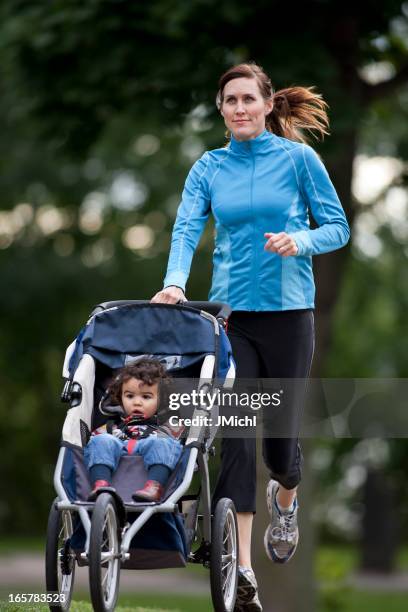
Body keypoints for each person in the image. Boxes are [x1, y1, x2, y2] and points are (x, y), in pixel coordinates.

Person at [152, 62, 350, 611]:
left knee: (281, 449)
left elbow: (339, 226)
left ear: (266, 105)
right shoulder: (209, 168)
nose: (239, 108)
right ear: (221, 109)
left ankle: (284, 499)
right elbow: (187, 226)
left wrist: (300, 240)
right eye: (229, 100)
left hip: (290, 316)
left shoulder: (298, 159)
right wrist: (173, 283)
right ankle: (242, 570)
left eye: (248, 99)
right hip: (229, 319)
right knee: (235, 436)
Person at [84, 359, 183, 503]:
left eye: (146, 397)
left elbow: (182, 447)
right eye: (130, 396)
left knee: (164, 442)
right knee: (100, 441)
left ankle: (154, 486)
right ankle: (101, 484)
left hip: (155, 463)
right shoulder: (111, 427)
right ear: (120, 397)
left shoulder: (168, 426)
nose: (137, 402)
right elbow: (92, 447)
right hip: (117, 455)